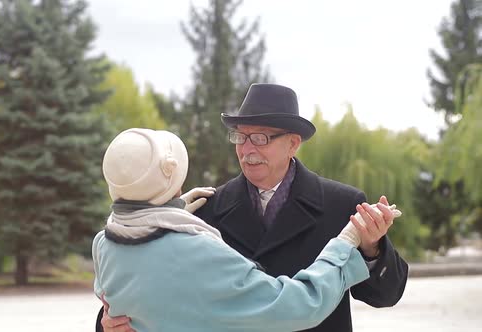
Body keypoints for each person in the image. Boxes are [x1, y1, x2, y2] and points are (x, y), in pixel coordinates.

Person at [98, 84, 409, 332]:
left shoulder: (341, 204)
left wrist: (371, 248)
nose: (247, 150)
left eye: (260, 138)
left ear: (293, 144)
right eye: (240, 137)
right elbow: (139, 294)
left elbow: (386, 296)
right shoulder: (205, 210)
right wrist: (107, 325)